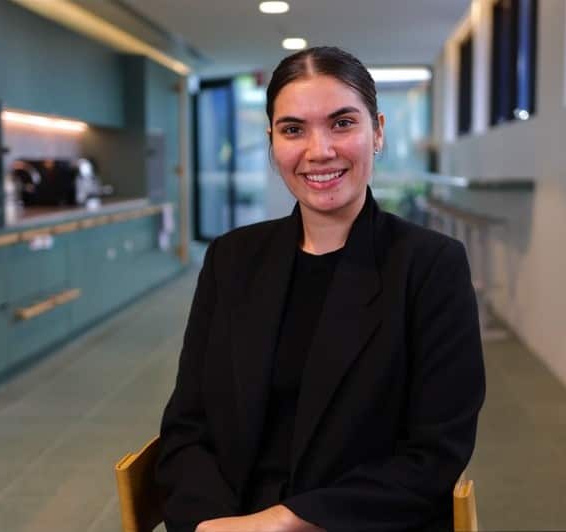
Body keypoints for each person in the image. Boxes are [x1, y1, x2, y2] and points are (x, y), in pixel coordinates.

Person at [154, 46, 486, 532]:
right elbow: (187, 427)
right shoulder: (231, 259)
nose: (319, 150)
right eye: (293, 129)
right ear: (272, 141)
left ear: (377, 132)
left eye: (342, 123)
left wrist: (285, 521)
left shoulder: (430, 265)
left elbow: (435, 453)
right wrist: (210, 524)